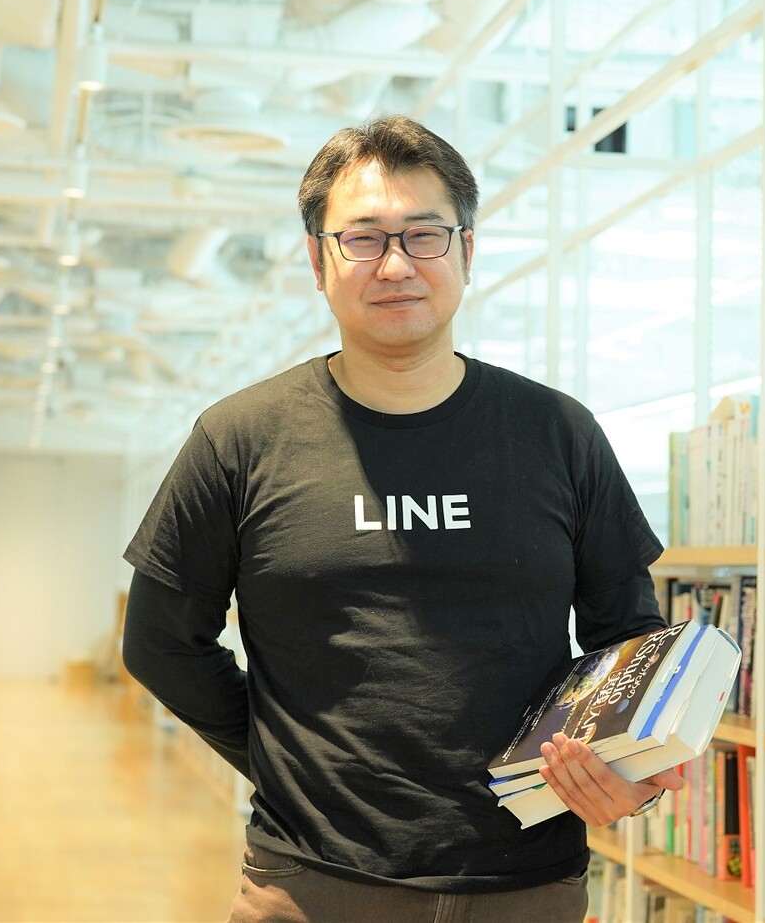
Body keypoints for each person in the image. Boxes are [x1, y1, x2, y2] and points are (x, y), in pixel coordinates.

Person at [121, 115, 685, 923]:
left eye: (424, 235)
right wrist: (285, 761)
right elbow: (160, 642)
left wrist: (626, 769)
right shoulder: (240, 439)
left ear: (466, 251)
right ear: (318, 260)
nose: (395, 264)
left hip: (529, 882)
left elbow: (626, 637)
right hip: (311, 883)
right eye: (363, 238)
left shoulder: (559, 434)